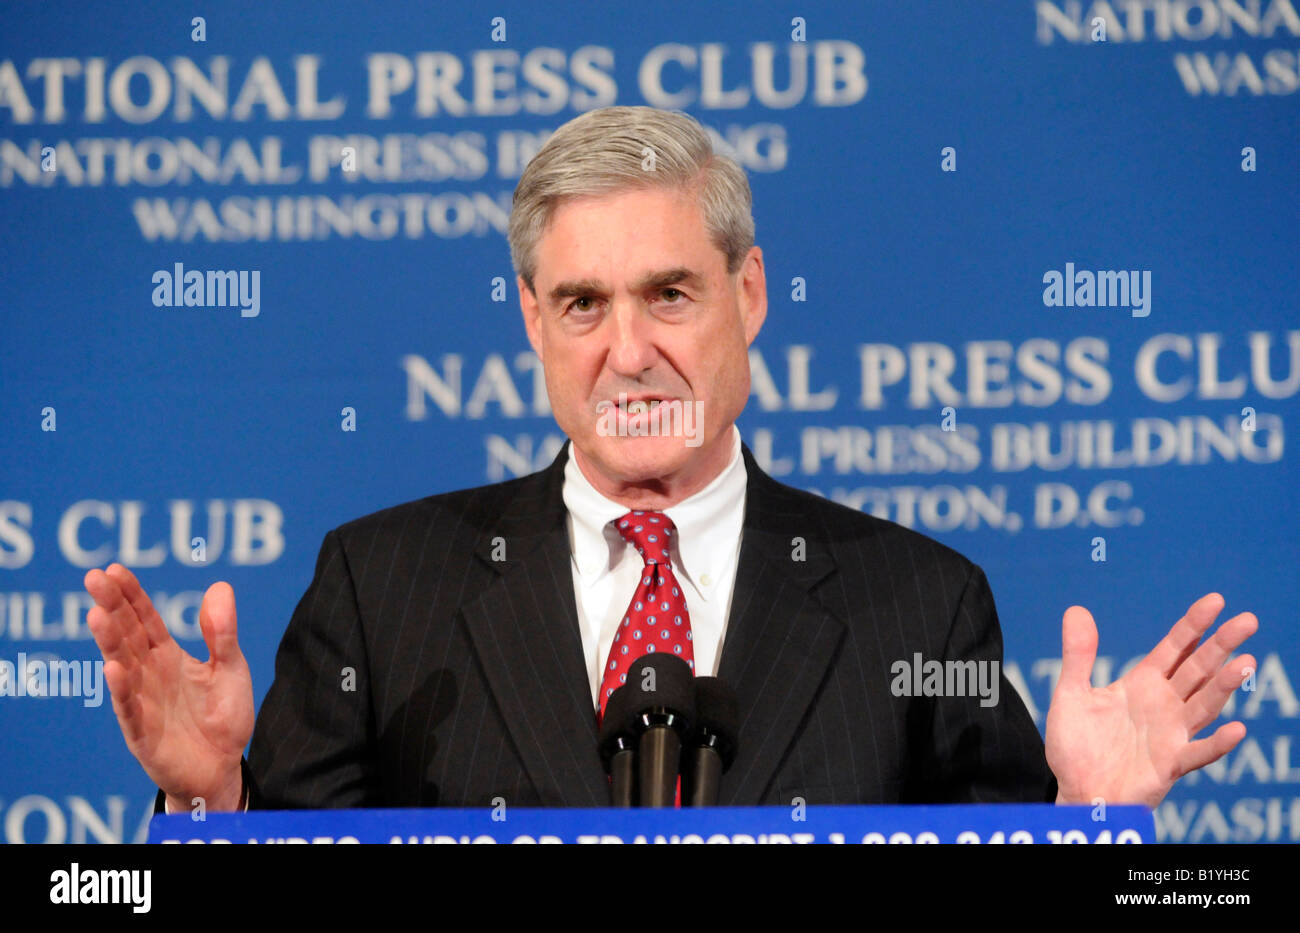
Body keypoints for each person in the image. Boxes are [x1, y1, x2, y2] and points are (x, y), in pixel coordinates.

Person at [83, 106, 1258, 812]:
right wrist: (210, 803)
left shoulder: (920, 610)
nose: (628, 351)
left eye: (669, 294)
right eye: (583, 304)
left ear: (748, 296)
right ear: (534, 324)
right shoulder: (381, 590)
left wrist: (1091, 834)